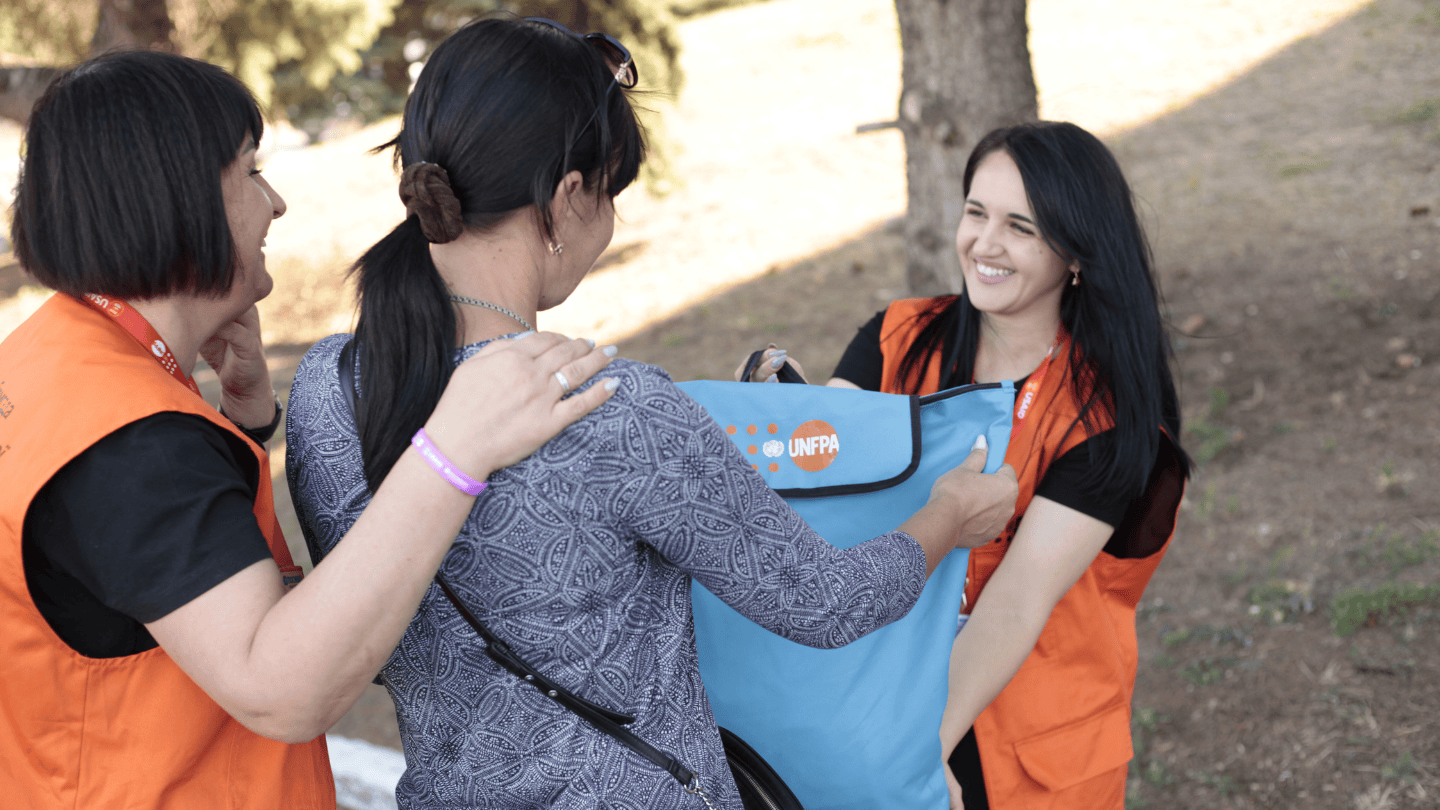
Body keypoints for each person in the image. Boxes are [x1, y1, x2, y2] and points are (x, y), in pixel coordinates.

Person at [284, 17, 1019, 810]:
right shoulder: (609, 409)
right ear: (566, 199)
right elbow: (823, 603)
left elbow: (370, 639)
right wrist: (947, 516)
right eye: (611, 191)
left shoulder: (326, 391)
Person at [0, 50, 620, 810]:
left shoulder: (50, 362)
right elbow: (281, 690)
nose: (277, 202)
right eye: (252, 171)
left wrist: (243, 420)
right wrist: (453, 448)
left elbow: (126, 586)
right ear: (179, 195)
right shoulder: (130, 447)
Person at [744, 121, 1191, 809]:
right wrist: (772, 431)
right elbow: (822, 489)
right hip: (876, 699)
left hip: (1033, 747)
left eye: (1021, 227)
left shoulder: (1104, 416)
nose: (985, 243)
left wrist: (920, 744)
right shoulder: (895, 339)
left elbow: (1019, 600)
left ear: (1075, 251)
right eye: (976, 213)